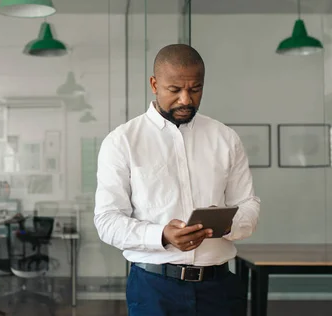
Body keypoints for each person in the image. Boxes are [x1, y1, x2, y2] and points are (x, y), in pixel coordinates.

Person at [93, 44, 260, 316]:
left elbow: (249, 205)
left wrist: (226, 224)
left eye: (195, 89)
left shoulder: (225, 138)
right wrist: (162, 235)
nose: (186, 99)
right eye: (175, 90)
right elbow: (107, 221)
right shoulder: (122, 141)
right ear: (154, 84)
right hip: (153, 289)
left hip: (219, 289)